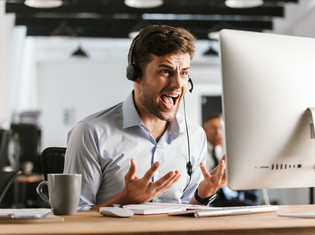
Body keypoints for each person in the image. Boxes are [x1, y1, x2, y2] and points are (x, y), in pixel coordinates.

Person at [64, 25, 226, 211]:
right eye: (166, 71)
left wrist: (204, 194)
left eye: (184, 73)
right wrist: (125, 199)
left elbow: (187, 213)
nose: (178, 84)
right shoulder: (91, 132)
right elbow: (74, 217)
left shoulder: (195, 135)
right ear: (136, 75)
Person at [203, 113, 258, 207]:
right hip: (213, 198)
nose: (217, 132)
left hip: (235, 195)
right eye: (213, 127)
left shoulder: (229, 150)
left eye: (220, 128)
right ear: (204, 129)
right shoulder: (201, 152)